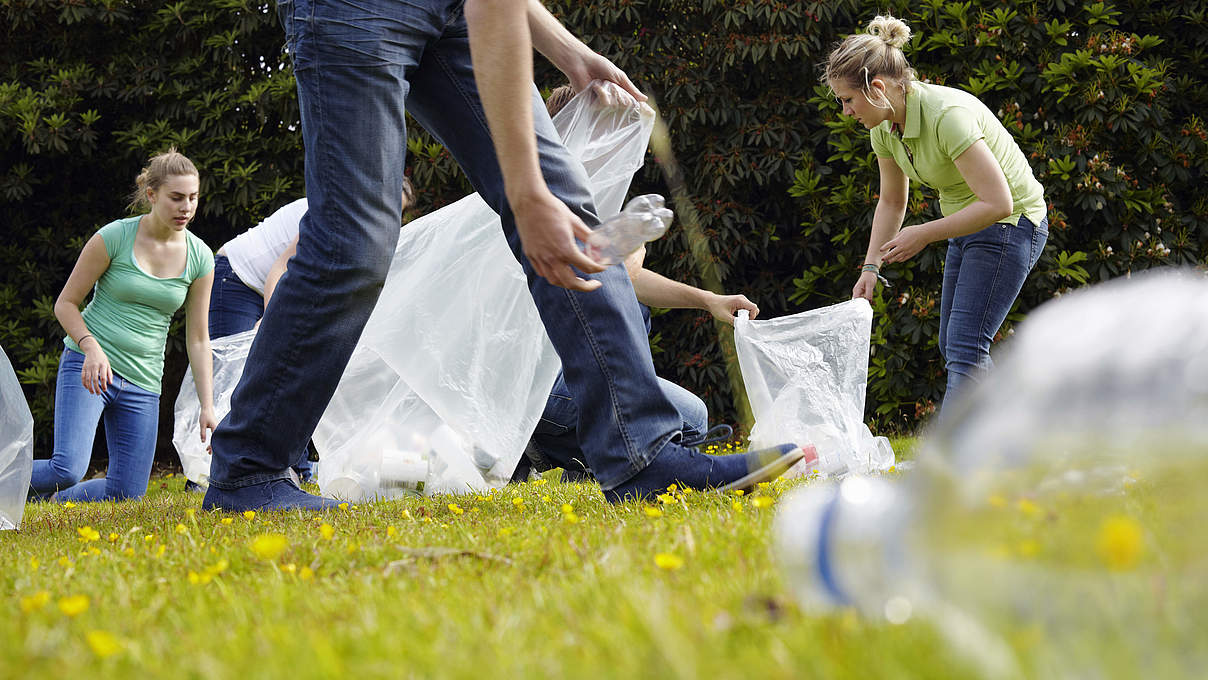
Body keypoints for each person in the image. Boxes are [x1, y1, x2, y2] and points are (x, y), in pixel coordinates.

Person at [201, 0, 802, 511]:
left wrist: (567, 52)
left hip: (457, 9)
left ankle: (640, 454)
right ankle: (250, 468)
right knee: (354, 244)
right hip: (352, 11)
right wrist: (524, 193)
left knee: (572, 209)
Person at [516, 85, 761, 482]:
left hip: (557, 377)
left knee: (690, 413)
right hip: (536, 386)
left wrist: (707, 299)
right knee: (691, 420)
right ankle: (544, 445)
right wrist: (629, 252)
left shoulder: (585, 194)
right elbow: (590, 285)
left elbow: (628, 279)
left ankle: (577, 456)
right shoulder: (544, 202)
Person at [829, 15, 1048, 412]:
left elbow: (1000, 203)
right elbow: (893, 201)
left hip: (1012, 223)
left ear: (877, 88)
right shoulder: (884, 127)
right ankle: (1005, 440)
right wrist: (870, 267)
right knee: (955, 344)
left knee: (966, 345)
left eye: (847, 99)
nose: (845, 111)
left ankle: (956, 464)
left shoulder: (947, 116)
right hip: (969, 223)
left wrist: (925, 233)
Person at [200, 179, 416, 486]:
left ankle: (294, 468)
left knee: (294, 372)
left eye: (400, 211)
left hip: (272, 284)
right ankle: (214, 472)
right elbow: (280, 268)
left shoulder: (367, 229)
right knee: (236, 377)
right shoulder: (332, 209)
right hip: (236, 277)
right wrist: (272, 321)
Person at [30, 149, 216, 502]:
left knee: (127, 494)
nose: (186, 207)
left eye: (192, 197)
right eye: (176, 197)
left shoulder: (200, 257)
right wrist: (90, 346)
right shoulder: (114, 237)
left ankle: (54, 500)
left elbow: (198, 339)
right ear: (151, 194)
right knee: (66, 468)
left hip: (143, 381)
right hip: (89, 367)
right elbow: (65, 304)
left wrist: (207, 406)